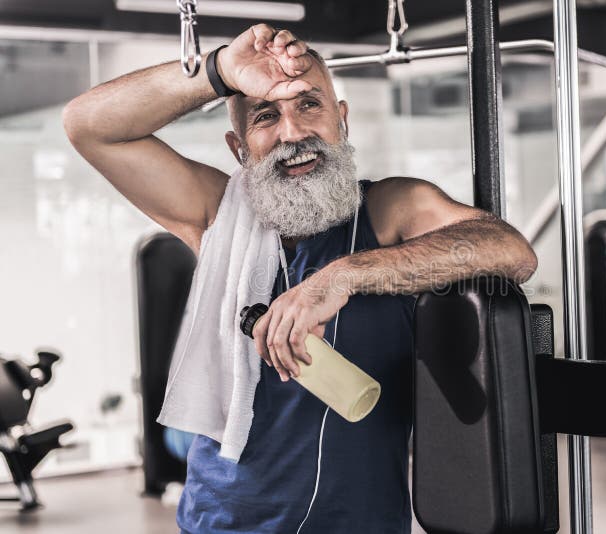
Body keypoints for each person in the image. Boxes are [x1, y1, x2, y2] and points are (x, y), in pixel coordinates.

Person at [63, 23, 537, 534]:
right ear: (239, 147)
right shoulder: (216, 216)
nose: (293, 133)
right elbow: (89, 125)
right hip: (217, 523)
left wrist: (345, 276)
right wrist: (220, 71)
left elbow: (510, 251)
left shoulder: (391, 209)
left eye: (310, 105)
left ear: (343, 120)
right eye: (266, 115)